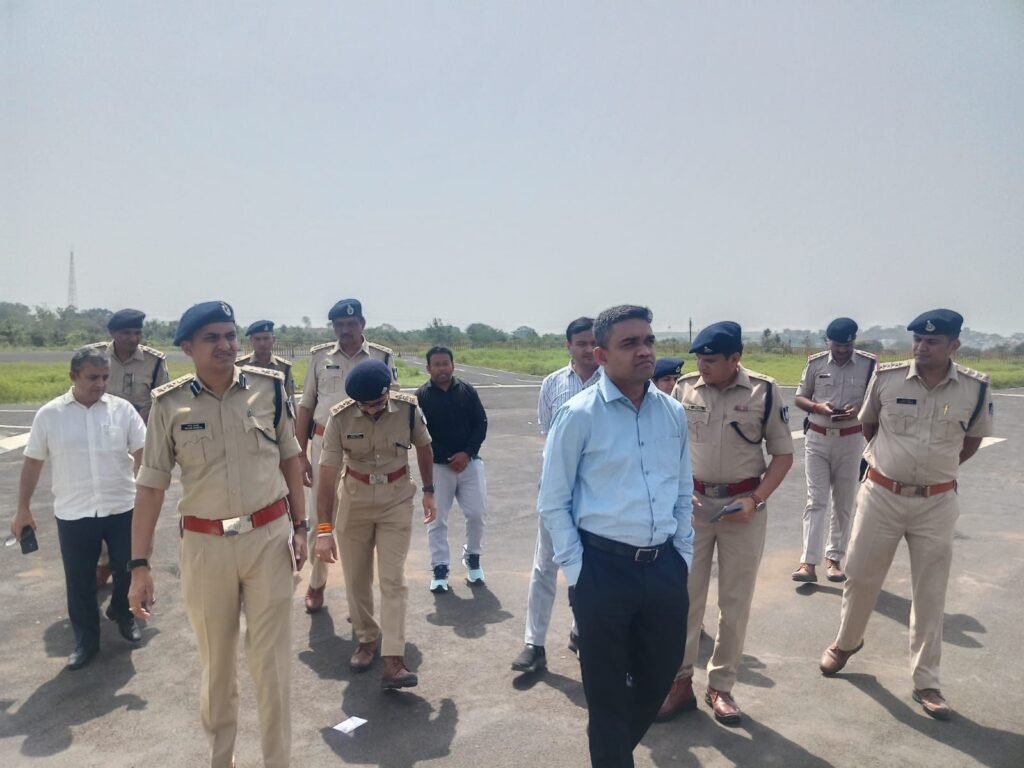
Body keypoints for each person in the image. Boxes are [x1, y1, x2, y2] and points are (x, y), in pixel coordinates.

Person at [128, 301, 308, 768]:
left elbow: (290, 458)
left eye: (230, 335)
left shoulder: (269, 389)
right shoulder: (169, 404)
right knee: (217, 667)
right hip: (205, 548)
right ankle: (220, 759)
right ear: (188, 347)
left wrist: (302, 527)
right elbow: (150, 487)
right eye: (212, 338)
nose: (226, 345)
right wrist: (139, 565)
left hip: (268, 540)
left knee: (272, 667)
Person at [538, 305, 693, 768]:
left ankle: (609, 752)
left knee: (658, 675)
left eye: (648, 340)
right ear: (602, 355)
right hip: (602, 570)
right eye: (630, 343)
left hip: (663, 568)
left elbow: (683, 490)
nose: (644, 351)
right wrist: (578, 571)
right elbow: (552, 500)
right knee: (606, 695)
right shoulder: (578, 415)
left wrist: (682, 554)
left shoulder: (673, 413)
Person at [819, 309, 992, 721]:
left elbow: (970, 441)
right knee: (860, 576)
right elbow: (869, 426)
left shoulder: (974, 388)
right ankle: (846, 643)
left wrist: (934, 472)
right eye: (917, 339)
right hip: (882, 495)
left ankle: (926, 680)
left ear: (954, 345)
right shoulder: (887, 378)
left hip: (936, 502)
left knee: (930, 592)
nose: (921, 347)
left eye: (932, 341)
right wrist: (894, 467)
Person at [658, 321, 794, 726]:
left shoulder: (763, 392)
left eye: (712, 360)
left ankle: (721, 686)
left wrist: (755, 500)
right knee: (684, 600)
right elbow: (667, 446)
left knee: (734, 603)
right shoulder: (684, 389)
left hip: (743, 509)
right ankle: (679, 683)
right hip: (693, 509)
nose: (702, 366)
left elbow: (783, 455)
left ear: (735, 359)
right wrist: (678, 489)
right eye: (699, 358)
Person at [11, 346, 146, 670]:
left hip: (121, 506)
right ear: (73, 376)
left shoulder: (122, 410)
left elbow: (143, 450)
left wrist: (144, 489)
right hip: (74, 512)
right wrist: (22, 508)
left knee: (128, 566)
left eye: (104, 377)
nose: (100, 384)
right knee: (80, 579)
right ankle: (86, 640)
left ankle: (122, 612)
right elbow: (33, 463)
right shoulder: (50, 415)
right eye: (92, 377)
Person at [314, 360, 436, 689]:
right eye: (364, 405)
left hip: (396, 499)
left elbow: (424, 446)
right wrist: (324, 530)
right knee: (356, 578)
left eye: (378, 403)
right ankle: (367, 638)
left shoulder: (408, 410)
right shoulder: (340, 417)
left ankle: (394, 659)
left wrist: (429, 491)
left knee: (393, 579)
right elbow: (327, 474)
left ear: (388, 393)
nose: (371, 410)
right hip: (354, 501)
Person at [296, 298, 397, 613]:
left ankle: (359, 597)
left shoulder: (381, 357)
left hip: (366, 450)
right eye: (338, 325)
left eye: (351, 324)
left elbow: (393, 407)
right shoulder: (320, 358)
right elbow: (306, 406)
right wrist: (300, 454)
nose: (345, 330)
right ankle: (316, 582)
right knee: (321, 519)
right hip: (324, 445)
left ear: (362, 324)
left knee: (360, 523)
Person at [512, 316, 600, 674]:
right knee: (544, 566)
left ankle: (581, 633)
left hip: (597, 493)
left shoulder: (612, 383)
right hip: (556, 490)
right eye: (581, 343)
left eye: (593, 343)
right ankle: (534, 644)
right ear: (569, 346)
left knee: (590, 567)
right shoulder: (552, 384)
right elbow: (549, 437)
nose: (588, 349)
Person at [87, 308, 169, 587]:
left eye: (137, 333)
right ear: (112, 334)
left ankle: (139, 564)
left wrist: (145, 422)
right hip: (101, 443)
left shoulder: (154, 362)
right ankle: (103, 562)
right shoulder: (95, 356)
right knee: (100, 501)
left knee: (143, 503)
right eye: (126, 333)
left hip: (141, 443)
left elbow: (163, 401)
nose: (133, 338)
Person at [792, 318, 876, 583]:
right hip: (818, 438)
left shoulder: (869, 365)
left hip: (851, 440)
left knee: (843, 502)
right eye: (837, 345)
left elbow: (877, 399)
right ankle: (808, 563)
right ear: (828, 341)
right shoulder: (816, 363)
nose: (842, 350)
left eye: (847, 345)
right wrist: (817, 407)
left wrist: (860, 408)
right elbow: (800, 397)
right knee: (816, 500)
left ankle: (834, 559)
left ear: (854, 341)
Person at [415, 346, 489, 592]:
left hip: (470, 463)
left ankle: (473, 557)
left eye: (445, 364)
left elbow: (480, 423)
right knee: (437, 519)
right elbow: (420, 434)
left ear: (453, 365)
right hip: (439, 467)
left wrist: (466, 453)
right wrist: (447, 457)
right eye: (437, 365)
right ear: (428, 368)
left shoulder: (467, 391)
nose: (442, 369)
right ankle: (440, 568)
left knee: (477, 513)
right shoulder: (421, 397)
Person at [237, 319, 296, 398]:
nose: (262, 343)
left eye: (266, 338)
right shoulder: (239, 366)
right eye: (257, 339)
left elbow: (289, 398)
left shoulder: (283, 367)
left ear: (273, 339)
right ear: (251, 340)